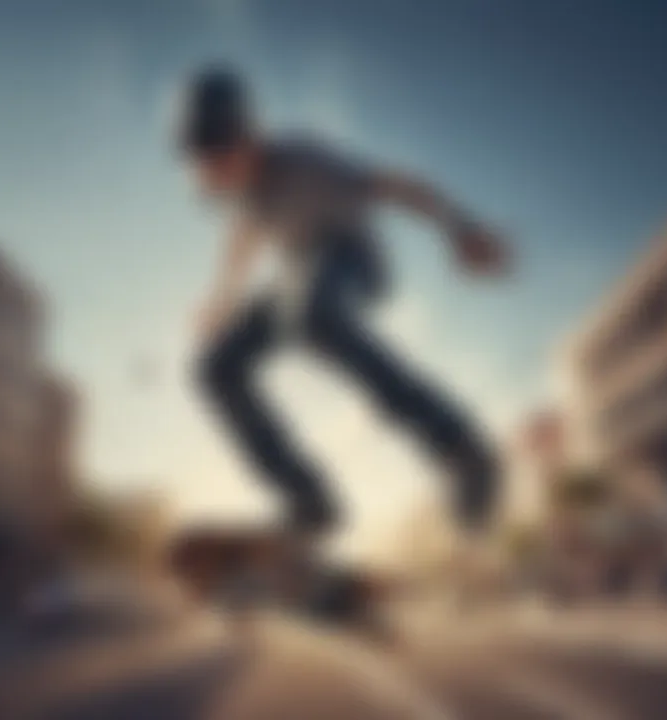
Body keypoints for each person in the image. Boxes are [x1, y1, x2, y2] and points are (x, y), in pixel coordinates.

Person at [179, 66, 510, 542]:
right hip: (298, 278)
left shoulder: (306, 160)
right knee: (213, 367)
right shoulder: (242, 195)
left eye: (220, 162)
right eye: (207, 168)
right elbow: (241, 242)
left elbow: (398, 185)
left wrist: (462, 227)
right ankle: (309, 499)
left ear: (244, 135)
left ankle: (460, 447)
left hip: (352, 260)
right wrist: (220, 303)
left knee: (310, 314)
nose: (218, 179)